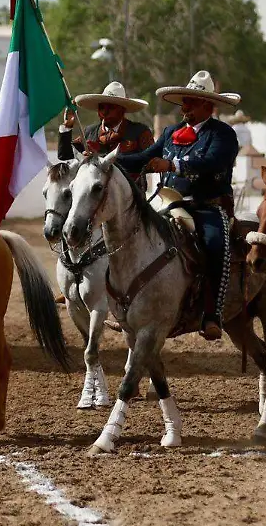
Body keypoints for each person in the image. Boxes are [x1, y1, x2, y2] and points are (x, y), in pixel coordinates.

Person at [116, 70, 241, 341]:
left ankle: (211, 313)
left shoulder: (223, 134)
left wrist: (173, 164)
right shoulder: (172, 132)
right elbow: (145, 157)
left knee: (214, 244)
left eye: (191, 102)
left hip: (206, 207)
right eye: (184, 101)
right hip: (168, 203)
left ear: (208, 105)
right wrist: (111, 160)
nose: (184, 107)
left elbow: (212, 163)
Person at [58, 81, 154, 183]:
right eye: (102, 107)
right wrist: (67, 127)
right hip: (95, 195)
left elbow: (151, 161)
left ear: (122, 110)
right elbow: (65, 155)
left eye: (111, 107)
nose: (105, 112)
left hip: (132, 195)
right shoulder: (89, 131)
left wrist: (102, 159)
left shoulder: (140, 131)